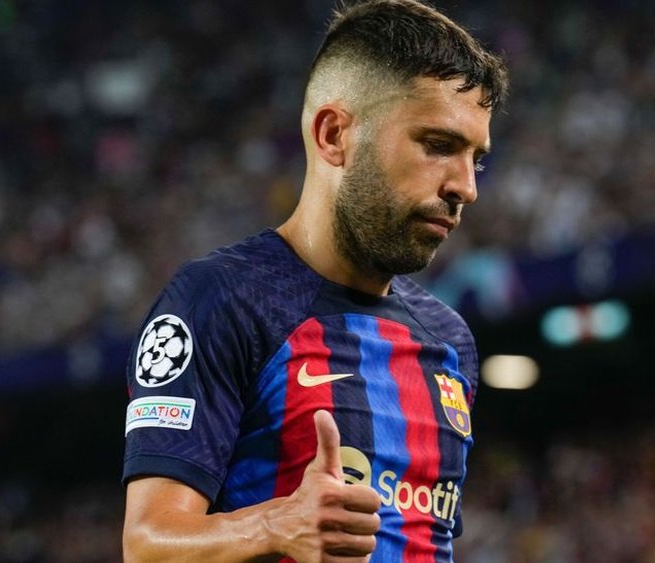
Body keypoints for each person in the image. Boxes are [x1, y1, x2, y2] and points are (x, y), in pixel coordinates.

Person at [121, 1, 508, 561]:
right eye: (438, 145)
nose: (466, 187)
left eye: (477, 159)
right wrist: (275, 526)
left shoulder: (449, 341)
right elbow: (146, 544)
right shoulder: (221, 301)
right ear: (333, 135)